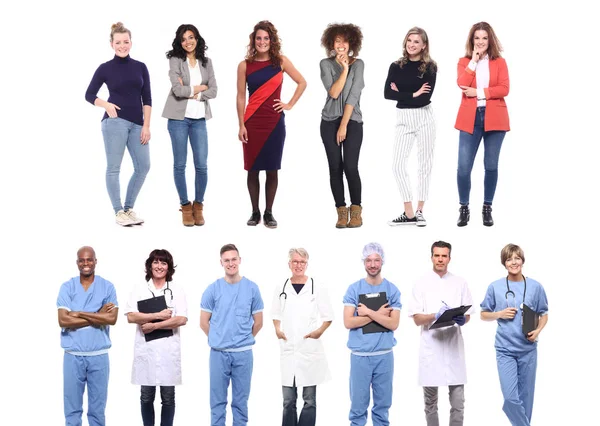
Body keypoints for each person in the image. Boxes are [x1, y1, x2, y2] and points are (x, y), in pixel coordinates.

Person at [237, 20, 307, 228]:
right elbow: (241, 97)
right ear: (253, 40)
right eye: (258, 38)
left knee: (272, 169)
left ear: (272, 40)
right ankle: (254, 211)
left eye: (266, 38)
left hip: (275, 122)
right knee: (252, 169)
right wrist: (241, 124)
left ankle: (268, 212)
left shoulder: (281, 62)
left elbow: (302, 82)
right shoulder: (244, 65)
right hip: (252, 122)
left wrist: (289, 104)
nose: (262, 42)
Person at [85, 22, 152, 226]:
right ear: (112, 44)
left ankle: (128, 208)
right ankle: (118, 211)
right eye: (118, 42)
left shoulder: (141, 67)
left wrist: (146, 126)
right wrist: (106, 105)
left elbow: (147, 99)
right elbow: (89, 94)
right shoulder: (105, 68)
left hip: (138, 124)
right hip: (115, 123)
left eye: (126, 41)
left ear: (131, 42)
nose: (122, 45)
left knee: (143, 166)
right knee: (114, 168)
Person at [406, 241, 474, 426]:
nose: (440, 259)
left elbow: (467, 315)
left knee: (458, 403)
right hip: (431, 348)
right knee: (430, 404)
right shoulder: (421, 283)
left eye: (444, 256)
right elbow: (417, 319)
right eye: (437, 255)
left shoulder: (460, 282)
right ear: (431, 257)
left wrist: (463, 319)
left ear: (449, 258)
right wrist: (434, 316)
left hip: (453, 348)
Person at [480, 244, 548, 426]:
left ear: (522, 260)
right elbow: (483, 313)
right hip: (505, 350)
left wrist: (538, 330)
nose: (513, 262)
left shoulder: (535, 287)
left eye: (517, 258)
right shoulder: (495, 287)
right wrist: (499, 314)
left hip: (528, 350)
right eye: (509, 259)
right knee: (511, 399)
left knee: (526, 400)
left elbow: (544, 313)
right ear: (504, 263)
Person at [200, 244, 264, 426]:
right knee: (217, 403)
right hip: (218, 353)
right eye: (226, 260)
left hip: (243, 354)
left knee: (240, 403)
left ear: (240, 260)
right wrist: (218, 338)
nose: (231, 263)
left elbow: (259, 322)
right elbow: (203, 322)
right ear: (221, 263)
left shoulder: (252, 288)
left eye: (234, 259)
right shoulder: (212, 289)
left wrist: (243, 339)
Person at [124, 249, 188, 426]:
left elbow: (181, 319)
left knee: (168, 398)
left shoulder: (176, 289)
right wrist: (160, 315)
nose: (159, 266)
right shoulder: (139, 288)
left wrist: (154, 325)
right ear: (150, 265)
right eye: (156, 262)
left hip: (168, 352)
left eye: (164, 263)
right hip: (147, 352)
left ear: (169, 267)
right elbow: (131, 316)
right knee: (146, 397)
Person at [455, 21, 510, 227]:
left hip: (495, 117)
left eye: (484, 38)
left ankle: (487, 207)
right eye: (477, 38)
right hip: (470, 118)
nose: (480, 42)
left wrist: (479, 93)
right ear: (472, 40)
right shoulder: (464, 61)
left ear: (490, 40)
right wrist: (474, 62)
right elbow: (462, 83)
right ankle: (464, 207)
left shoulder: (500, 62)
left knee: (491, 166)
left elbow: (504, 88)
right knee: (463, 168)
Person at [271, 248, 334, 426]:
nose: (298, 265)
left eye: (302, 262)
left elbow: (328, 316)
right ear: (289, 263)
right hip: (289, 348)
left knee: (309, 400)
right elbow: (275, 313)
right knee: (288, 401)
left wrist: (319, 332)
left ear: (307, 264)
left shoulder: (317, 286)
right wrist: (277, 329)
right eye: (295, 261)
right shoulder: (281, 287)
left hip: (309, 350)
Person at [56, 246, 118, 426]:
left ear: (95, 261)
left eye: (89, 259)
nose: (86, 263)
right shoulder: (67, 287)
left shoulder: (107, 287)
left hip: (98, 356)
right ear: (77, 263)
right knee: (72, 410)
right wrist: (97, 314)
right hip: (73, 356)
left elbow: (111, 319)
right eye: (82, 260)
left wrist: (77, 313)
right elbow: (63, 320)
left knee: (97, 411)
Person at [162, 24, 217, 226]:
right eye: (184, 38)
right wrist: (200, 87)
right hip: (178, 119)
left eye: (191, 37)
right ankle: (185, 206)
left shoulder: (206, 62)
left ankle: (198, 206)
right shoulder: (175, 60)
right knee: (180, 164)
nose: (188, 42)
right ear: (179, 41)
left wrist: (197, 91)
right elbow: (177, 90)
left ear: (197, 38)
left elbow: (214, 90)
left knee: (201, 165)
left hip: (199, 119)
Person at [343, 242, 401, 426]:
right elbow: (348, 322)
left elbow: (393, 324)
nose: (373, 264)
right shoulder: (354, 289)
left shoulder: (392, 290)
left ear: (382, 261)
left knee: (382, 408)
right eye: (369, 260)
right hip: (360, 356)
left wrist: (367, 311)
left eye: (376, 260)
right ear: (363, 262)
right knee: (358, 408)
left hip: (384, 356)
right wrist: (379, 314)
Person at [384, 27, 437, 227]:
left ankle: (420, 210)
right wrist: (413, 93)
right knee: (397, 165)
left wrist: (403, 92)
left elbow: (425, 97)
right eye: (409, 40)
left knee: (424, 164)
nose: (412, 44)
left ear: (424, 45)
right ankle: (408, 212)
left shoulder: (430, 67)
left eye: (416, 41)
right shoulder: (396, 66)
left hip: (424, 117)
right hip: (403, 118)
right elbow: (387, 94)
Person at [320, 23, 365, 229]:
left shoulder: (359, 64)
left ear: (351, 43)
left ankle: (356, 211)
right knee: (335, 167)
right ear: (332, 43)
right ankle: (341, 211)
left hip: (352, 121)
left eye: (345, 41)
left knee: (350, 166)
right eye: (337, 41)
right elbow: (334, 93)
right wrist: (344, 69)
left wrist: (344, 125)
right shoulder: (325, 64)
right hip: (329, 121)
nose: (341, 44)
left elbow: (353, 96)